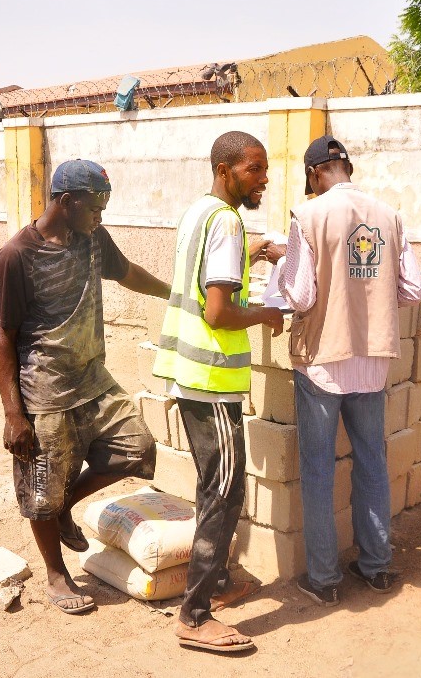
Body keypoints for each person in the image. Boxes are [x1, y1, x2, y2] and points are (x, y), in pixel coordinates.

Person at [0, 159, 171, 615]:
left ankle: (65, 503)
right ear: (66, 202)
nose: (101, 216)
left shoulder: (93, 239)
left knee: (138, 448)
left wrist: (174, 294)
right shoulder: (16, 256)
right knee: (39, 491)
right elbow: (2, 336)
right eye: (94, 207)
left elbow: (127, 272)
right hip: (45, 394)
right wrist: (14, 414)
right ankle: (56, 574)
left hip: (94, 381)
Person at [275, 135, 421, 607]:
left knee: (318, 470)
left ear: (316, 174)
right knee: (371, 462)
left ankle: (324, 578)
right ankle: (377, 566)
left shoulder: (309, 215)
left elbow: (300, 297)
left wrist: (280, 264)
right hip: (373, 361)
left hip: (324, 359)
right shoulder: (389, 215)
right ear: (346, 168)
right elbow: (414, 288)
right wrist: (372, 296)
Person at [152, 131, 285, 653]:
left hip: (190, 373)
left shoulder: (200, 213)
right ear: (226, 170)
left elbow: (210, 271)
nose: (264, 179)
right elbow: (219, 311)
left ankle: (222, 581)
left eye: (266, 169)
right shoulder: (227, 221)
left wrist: (253, 253)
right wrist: (267, 313)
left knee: (215, 485)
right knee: (224, 493)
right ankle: (194, 614)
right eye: (254, 169)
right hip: (213, 382)